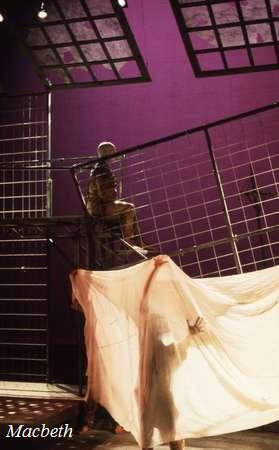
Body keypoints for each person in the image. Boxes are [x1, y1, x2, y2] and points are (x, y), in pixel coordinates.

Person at [86, 141, 146, 254]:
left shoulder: (101, 167)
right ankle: (129, 244)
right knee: (129, 208)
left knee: (128, 211)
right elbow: (105, 194)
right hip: (99, 207)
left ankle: (135, 242)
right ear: (107, 152)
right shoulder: (101, 169)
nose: (115, 153)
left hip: (100, 205)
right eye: (113, 151)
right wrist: (114, 191)